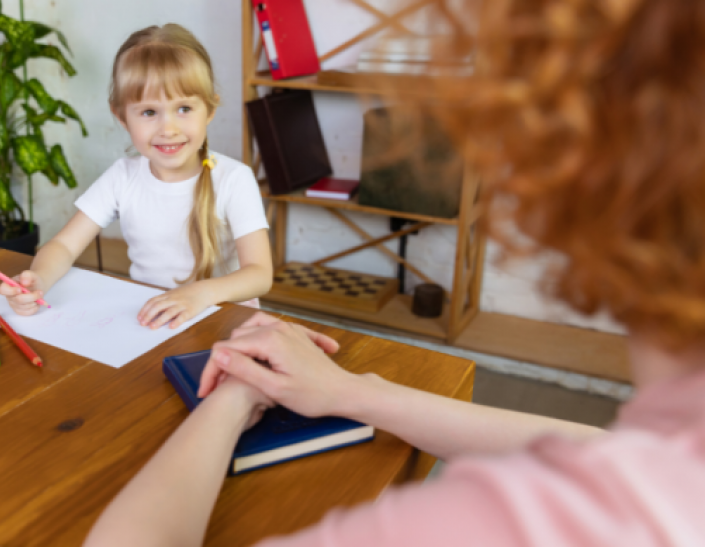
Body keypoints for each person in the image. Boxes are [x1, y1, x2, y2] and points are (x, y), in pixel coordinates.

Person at [83, 1, 705, 546]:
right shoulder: (669, 472)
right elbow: (601, 456)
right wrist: (355, 392)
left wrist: (235, 395)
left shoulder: (565, 513)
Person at [0, 24, 272, 329]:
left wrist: (198, 294)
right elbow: (63, 246)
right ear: (122, 117)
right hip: (152, 323)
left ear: (209, 109)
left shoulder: (235, 179)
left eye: (183, 108)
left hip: (226, 324)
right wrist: (38, 279)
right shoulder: (122, 177)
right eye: (148, 112)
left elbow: (260, 274)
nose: (168, 128)